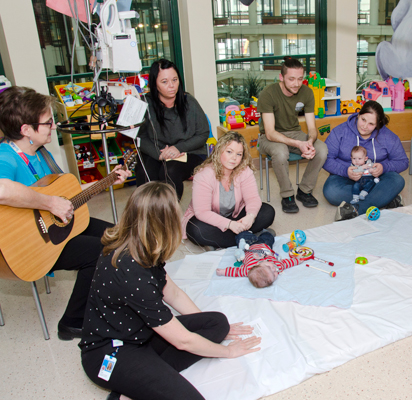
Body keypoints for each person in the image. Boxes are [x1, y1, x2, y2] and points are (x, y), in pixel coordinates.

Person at [79, 182, 261, 400]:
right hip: (111, 352)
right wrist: (228, 352)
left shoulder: (140, 245)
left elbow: (172, 293)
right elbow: (183, 341)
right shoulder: (132, 273)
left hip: (142, 333)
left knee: (217, 324)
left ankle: (145, 380)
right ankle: (127, 391)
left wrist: (207, 327)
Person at [0, 86, 130, 341]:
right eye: (48, 122)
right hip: (29, 244)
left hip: (54, 228)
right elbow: (2, 189)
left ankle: (110, 296)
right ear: (26, 130)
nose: (53, 126)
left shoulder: (39, 154)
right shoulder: (6, 156)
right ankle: (72, 321)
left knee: (117, 234)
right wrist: (49, 203)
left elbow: (64, 192)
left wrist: (107, 181)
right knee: (98, 251)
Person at [257, 57, 328, 213]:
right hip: (269, 137)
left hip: (295, 133)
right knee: (281, 152)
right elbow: (270, 133)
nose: (296, 84)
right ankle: (287, 195)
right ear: (281, 77)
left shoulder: (307, 92)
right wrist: (299, 145)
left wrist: (309, 141)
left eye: (300, 79)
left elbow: (312, 128)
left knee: (322, 149)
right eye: (291, 79)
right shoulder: (268, 94)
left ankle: (304, 191)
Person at [183, 131, 275, 249]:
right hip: (212, 220)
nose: (234, 158)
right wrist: (229, 224)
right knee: (195, 229)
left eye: (239, 154)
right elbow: (202, 212)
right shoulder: (204, 175)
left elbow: (252, 198)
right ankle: (252, 238)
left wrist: (250, 217)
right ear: (219, 151)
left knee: (267, 212)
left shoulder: (244, 170)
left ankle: (225, 241)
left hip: (235, 215)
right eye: (229, 152)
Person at [136, 59, 210, 200]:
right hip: (156, 151)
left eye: (174, 80)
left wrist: (178, 148)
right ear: (154, 84)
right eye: (164, 82)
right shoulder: (145, 103)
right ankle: (148, 215)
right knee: (146, 172)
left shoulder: (189, 101)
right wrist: (158, 153)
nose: (171, 86)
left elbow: (203, 133)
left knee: (169, 172)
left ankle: (170, 215)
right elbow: (140, 137)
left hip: (189, 151)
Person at [323, 100, 408, 221]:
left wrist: (384, 167)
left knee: (398, 180)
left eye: (371, 124)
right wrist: (345, 171)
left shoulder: (388, 136)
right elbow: (327, 159)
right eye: (363, 120)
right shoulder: (340, 132)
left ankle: (357, 209)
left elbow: (403, 161)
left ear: (378, 124)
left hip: (375, 180)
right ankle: (386, 198)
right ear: (358, 115)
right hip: (346, 178)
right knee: (331, 191)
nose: (364, 126)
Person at [216, 232, 300, 288]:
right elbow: (287, 263)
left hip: (248, 246)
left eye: (270, 269)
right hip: (265, 245)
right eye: (274, 273)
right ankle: (259, 233)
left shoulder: (248, 269)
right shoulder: (278, 266)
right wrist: (298, 260)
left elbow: (235, 272)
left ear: (257, 265)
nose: (274, 269)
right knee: (269, 236)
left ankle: (249, 234)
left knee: (242, 236)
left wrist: (223, 271)